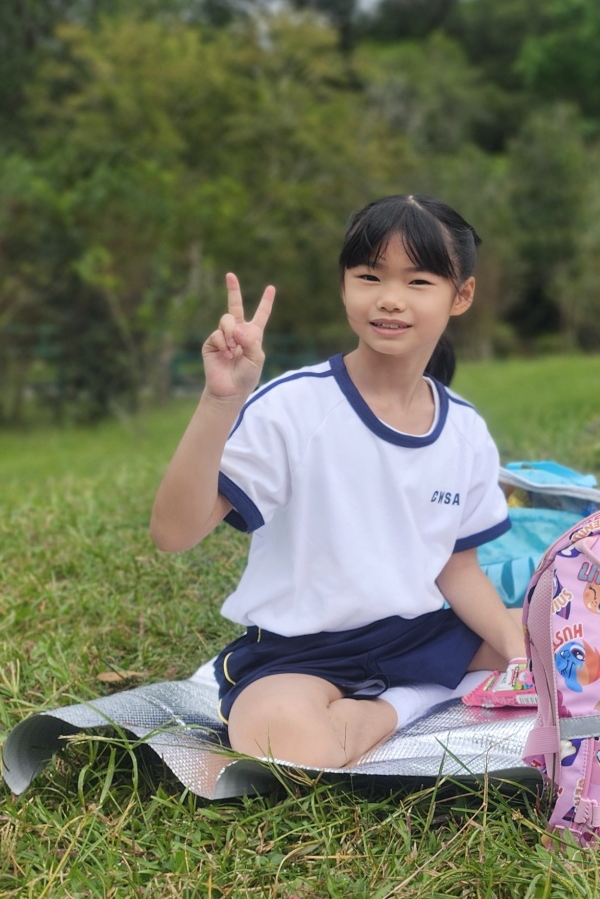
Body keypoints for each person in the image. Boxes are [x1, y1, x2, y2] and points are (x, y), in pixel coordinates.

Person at [149, 194, 523, 769]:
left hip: (419, 636)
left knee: (576, 642)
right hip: (301, 653)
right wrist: (221, 400)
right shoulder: (293, 407)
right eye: (369, 276)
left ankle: (412, 689)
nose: (390, 298)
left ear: (462, 295)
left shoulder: (465, 430)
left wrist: (518, 652)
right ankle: (403, 706)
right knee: (281, 744)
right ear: (344, 286)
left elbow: (457, 568)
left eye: (418, 281)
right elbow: (173, 533)